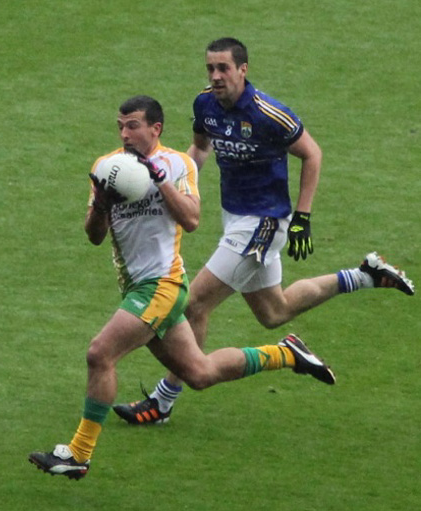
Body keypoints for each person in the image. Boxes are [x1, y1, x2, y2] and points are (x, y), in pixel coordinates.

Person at [28, 95, 337, 480]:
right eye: (120, 126)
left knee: (99, 353)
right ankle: (287, 354)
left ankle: (78, 454)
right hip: (136, 287)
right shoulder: (108, 168)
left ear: (155, 128)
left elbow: (191, 219)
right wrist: (102, 205)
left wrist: (158, 182)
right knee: (200, 373)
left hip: (163, 285)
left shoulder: (178, 165)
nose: (125, 134)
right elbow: (93, 236)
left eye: (133, 125)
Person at [113, 38, 415, 426]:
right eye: (210, 68)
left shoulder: (268, 113)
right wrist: (179, 184)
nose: (216, 76)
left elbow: (312, 153)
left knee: (194, 305)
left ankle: (163, 401)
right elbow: (200, 150)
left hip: (264, 223)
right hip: (233, 218)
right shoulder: (204, 104)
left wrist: (303, 216)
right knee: (276, 311)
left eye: (223, 68)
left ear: (243, 69)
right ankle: (364, 275)